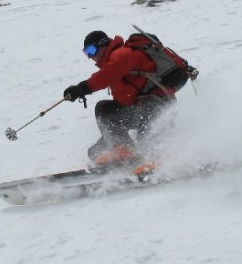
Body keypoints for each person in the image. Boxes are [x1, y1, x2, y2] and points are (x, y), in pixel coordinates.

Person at [63, 30, 176, 167]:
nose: (90, 56)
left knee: (146, 141)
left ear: (103, 44)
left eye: (91, 50)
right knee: (104, 109)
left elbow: (107, 75)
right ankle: (124, 150)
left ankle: (157, 159)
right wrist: (106, 140)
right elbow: (124, 102)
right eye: (86, 53)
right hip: (139, 108)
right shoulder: (112, 61)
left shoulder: (122, 54)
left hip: (156, 105)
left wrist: (81, 89)